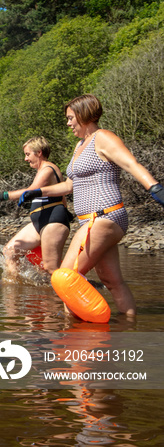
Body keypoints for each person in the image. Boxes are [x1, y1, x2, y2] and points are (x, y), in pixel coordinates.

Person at [19, 94, 163, 316]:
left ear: (83, 114)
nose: (68, 123)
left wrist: (154, 188)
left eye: (70, 118)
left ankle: (76, 338)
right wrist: (37, 192)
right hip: (92, 219)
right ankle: (129, 326)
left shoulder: (103, 138)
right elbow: (68, 185)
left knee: (65, 276)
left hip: (104, 215)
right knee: (112, 281)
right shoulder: (79, 146)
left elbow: (130, 164)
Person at [0, 137, 72, 278]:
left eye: (27, 154)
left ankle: (80, 287)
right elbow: (60, 195)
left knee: (51, 268)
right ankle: (15, 287)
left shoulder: (48, 168)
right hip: (40, 221)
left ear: (39, 152)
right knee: (10, 252)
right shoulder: (42, 170)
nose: (25, 159)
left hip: (52, 220)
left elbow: (32, 190)